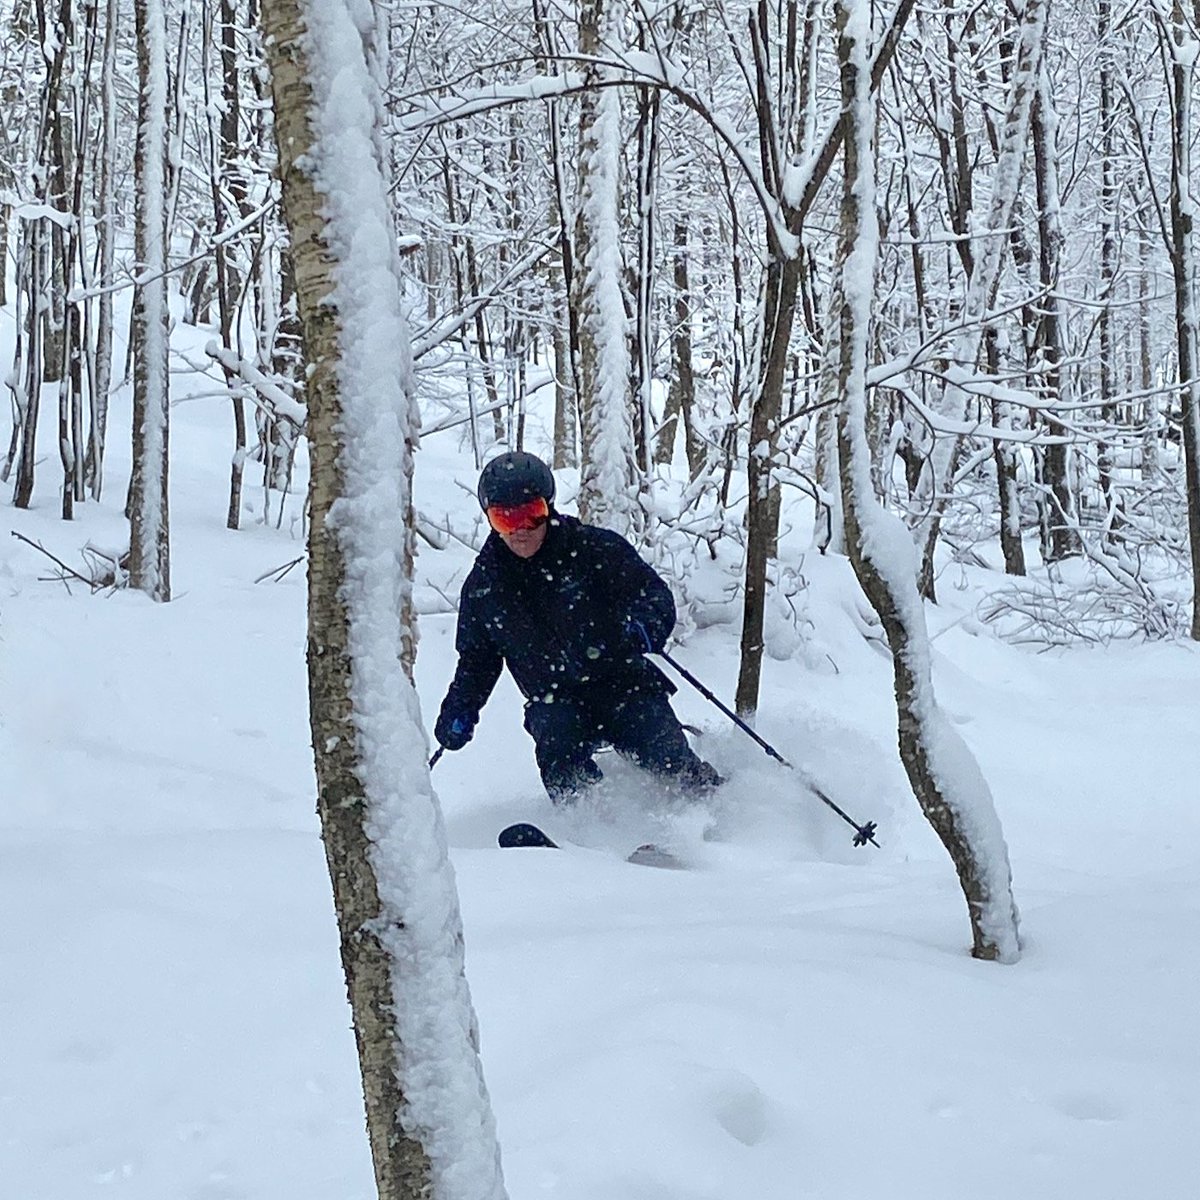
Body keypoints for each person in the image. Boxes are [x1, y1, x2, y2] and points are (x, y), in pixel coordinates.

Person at [434, 451, 722, 804]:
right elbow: (477, 661)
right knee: (558, 749)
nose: (520, 530)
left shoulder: (595, 550)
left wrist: (643, 627)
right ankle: (585, 829)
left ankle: (711, 806)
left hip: (623, 685)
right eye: (504, 519)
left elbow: (652, 596)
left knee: (663, 753)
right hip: (554, 701)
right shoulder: (485, 586)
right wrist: (461, 709)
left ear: (548, 508)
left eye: (530, 515)